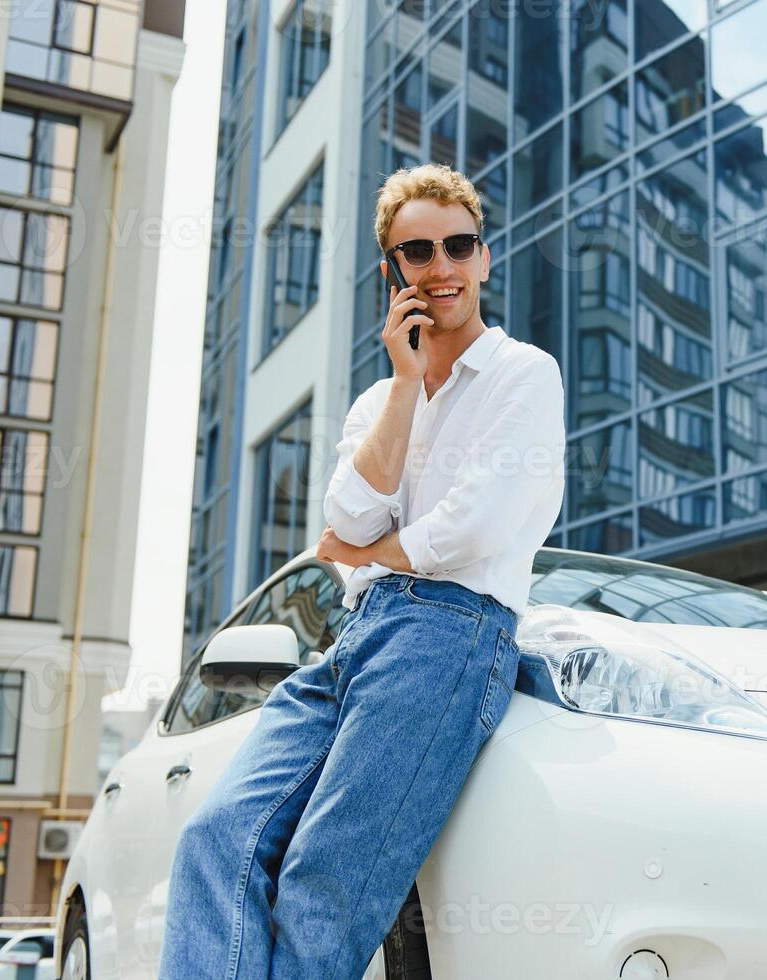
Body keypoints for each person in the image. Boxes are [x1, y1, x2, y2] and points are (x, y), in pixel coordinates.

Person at [158, 162, 566, 979]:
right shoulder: (379, 401)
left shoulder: (525, 373)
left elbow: (471, 532)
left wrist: (367, 553)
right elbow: (345, 521)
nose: (442, 267)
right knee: (216, 838)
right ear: (394, 272)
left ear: (485, 258)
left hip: (449, 633)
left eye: (460, 245)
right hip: (355, 637)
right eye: (419, 252)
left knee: (325, 881)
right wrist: (408, 385)